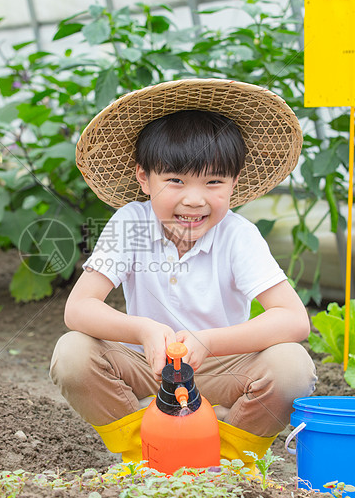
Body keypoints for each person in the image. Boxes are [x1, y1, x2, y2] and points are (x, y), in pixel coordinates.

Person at [50, 78, 317, 466]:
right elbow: (79, 309)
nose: (194, 199)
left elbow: (294, 319)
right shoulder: (132, 223)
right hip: (148, 364)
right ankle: (144, 455)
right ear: (145, 179)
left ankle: (228, 459)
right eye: (175, 181)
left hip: (218, 368)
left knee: (292, 367)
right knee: (72, 354)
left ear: (234, 183)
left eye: (213, 182)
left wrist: (208, 342)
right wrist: (144, 330)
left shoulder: (238, 236)